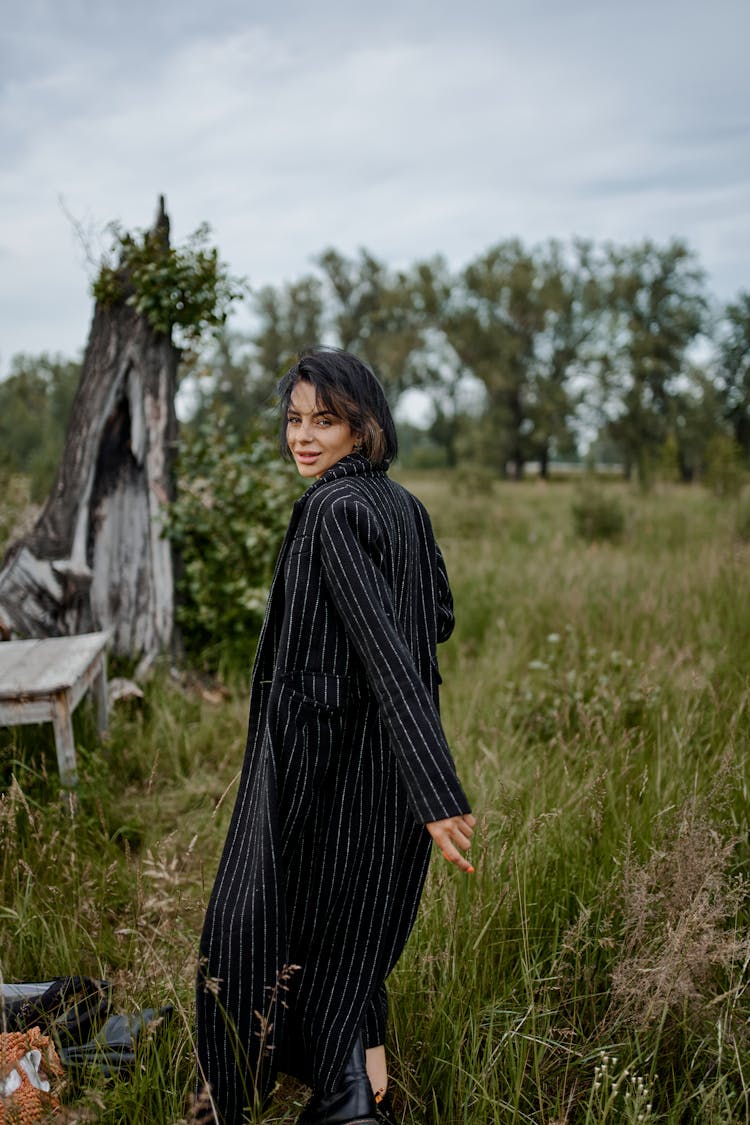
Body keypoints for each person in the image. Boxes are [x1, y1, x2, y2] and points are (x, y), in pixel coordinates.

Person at [196, 348, 475, 1125]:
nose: (304, 436)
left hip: (331, 762)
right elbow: (436, 620)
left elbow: (388, 652)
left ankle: (255, 1099)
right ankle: (362, 1099)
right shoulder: (404, 507)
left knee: (255, 926)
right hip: (380, 761)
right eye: (295, 418)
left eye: (326, 420)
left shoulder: (329, 511)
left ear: (365, 426)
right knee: (351, 944)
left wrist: (437, 789)